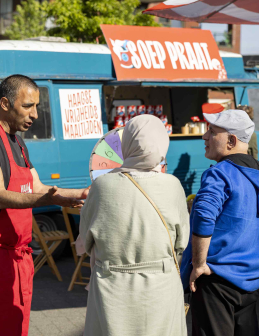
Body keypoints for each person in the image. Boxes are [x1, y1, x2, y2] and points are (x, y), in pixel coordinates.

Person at [0, 74, 88, 336]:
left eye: (36, 107)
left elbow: (38, 186)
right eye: (28, 106)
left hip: (21, 256)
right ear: (5, 104)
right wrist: (49, 198)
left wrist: (83, 194)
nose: (35, 115)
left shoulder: (18, 142)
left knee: (18, 328)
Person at [181, 104, 259, 336]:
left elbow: (204, 215)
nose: (205, 136)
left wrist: (199, 263)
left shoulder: (220, 173)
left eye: (213, 131)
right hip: (252, 279)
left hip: (215, 278)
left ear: (232, 141)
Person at [79, 115, 189, 336]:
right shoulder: (173, 186)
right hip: (161, 287)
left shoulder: (101, 185)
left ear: (127, 142)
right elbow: (181, 242)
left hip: (112, 289)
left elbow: (86, 240)